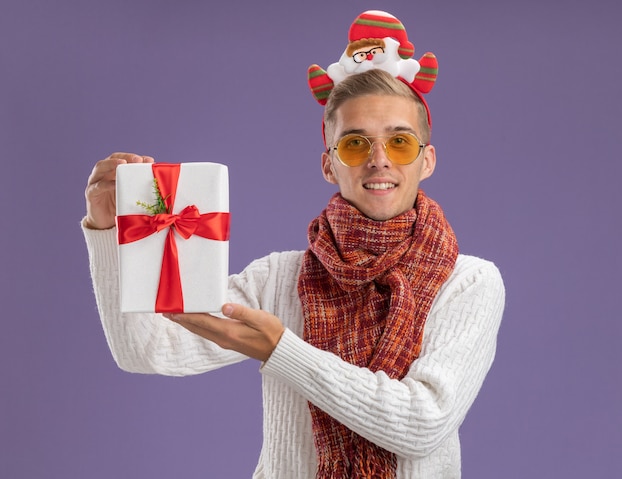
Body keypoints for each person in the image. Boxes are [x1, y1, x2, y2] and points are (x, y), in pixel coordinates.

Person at [82, 10, 505, 479]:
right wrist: (106, 231)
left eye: (400, 142)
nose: (379, 161)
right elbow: (147, 351)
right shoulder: (279, 278)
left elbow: (422, 424)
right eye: (355, 144)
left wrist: (281, 350)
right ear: (330, 164)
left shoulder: (468, 281)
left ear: (427, 161)